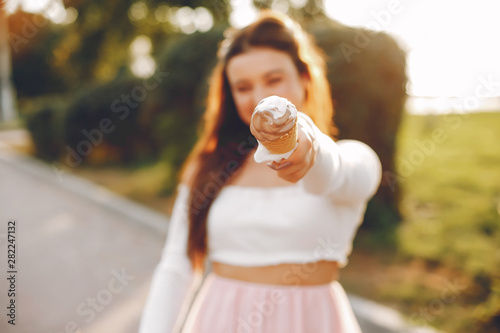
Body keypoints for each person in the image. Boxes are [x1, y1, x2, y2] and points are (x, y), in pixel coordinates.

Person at [139, 9, 381, 333]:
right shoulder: (208, 167)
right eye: (242, 87)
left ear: (305, 78)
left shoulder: (351, 157)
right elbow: (176, 267)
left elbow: (335, 175)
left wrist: (308, 148)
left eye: (274, 79)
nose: (259, 98)